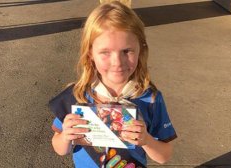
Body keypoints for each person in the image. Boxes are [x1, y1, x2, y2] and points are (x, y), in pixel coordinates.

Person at [49, 1, 177, 168]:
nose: (117, 62)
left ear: (141, 50)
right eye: (105, 52)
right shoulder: (76, 95)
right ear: (90, 54)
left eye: (127, 51)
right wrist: (66, 136)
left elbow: (164, 156)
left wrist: (147, 140)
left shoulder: (150, 99)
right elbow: (59, 149)